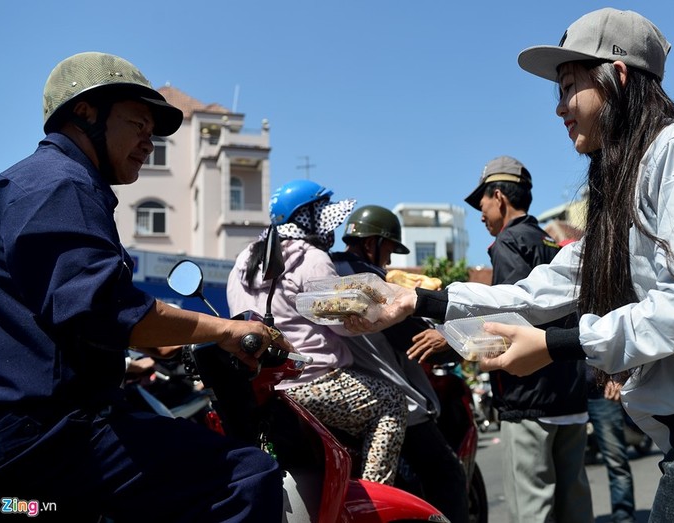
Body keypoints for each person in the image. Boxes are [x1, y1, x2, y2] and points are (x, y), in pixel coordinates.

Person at [346, 8, 674, 522]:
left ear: (618, 77)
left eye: (569, 87)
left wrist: (556, 345)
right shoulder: (621, 193)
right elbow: (537, 293)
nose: (560, 109)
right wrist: (417, 300)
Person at [0, 52, 285, 522]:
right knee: (246, 476)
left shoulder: (37, 184)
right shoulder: (59, 185)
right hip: (47, 437)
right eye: (139, 123)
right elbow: (103, 307)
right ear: (85, 112)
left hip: (34, 432)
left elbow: (59, 321)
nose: (149, 141)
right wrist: (224, 330)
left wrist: (162, 346)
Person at [226, 180, 408, 485]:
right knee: (392, 401)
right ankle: (375, 495)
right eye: (322, 213)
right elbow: (343, 324)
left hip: (260, 385)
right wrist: (392, 308)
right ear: (307, 216)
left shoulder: (245, 259)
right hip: (310, 381)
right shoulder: (311, 258)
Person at [463, 156, 591, 523]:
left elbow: (512, 315)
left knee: (532, 510)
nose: (482, 213)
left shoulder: (508, 242)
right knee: (575, 508)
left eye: (483, 204)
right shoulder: (550, 241)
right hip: (569, 393)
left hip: (529, 397)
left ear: (499, 197)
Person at [330, 205, 469, 523]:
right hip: (394, 401)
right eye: (389, 250)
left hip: (340, 399)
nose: (390, 261)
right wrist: (453, 344)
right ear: (371, 244)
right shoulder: (377, 287)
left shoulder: (326, 271)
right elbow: (418, 341)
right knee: (449, 476)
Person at [586, 375, 636, 523]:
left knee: (616, 463)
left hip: (601, 393)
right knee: (567, 469)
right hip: (567, 399)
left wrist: (619, 376)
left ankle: (624, 518)